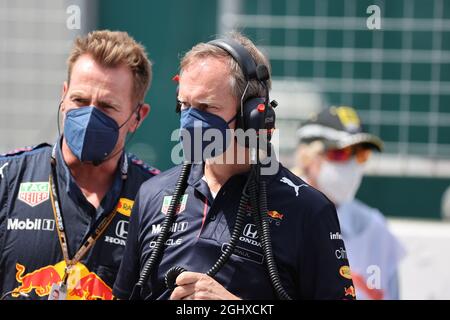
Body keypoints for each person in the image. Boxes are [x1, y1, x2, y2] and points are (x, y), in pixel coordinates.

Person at [113, 32, 355, 300]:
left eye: (206, 107)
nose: (190, 120)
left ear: (252, 116)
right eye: (184, 105)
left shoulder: (308, 210)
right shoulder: (152, 194)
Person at [0, 30, 160, 300]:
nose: (89, 116)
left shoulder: (156, 200)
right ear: (63, 96)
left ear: (137, 117)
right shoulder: (7, 179)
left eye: (107, 106)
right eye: (80, 100)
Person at [294, 106, 405, 300]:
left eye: (361, 154)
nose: (353, 164)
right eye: (341, 153)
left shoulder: (374, 227)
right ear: (308, 156)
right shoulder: (274, 215)